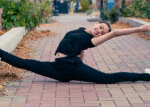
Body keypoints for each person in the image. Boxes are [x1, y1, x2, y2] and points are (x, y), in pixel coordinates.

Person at [0, 22, 150, 84]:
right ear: (97, 23)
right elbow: (81, 49)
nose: (99, 31)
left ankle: (145, 77)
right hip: (60, 68)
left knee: (106, 79)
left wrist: (140, 29)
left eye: (102, 32)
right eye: (100, 27)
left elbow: (116, 33)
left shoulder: (92, 40)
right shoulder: (80, 30)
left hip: (70, 66)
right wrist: (82, 65)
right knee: (26, 64)